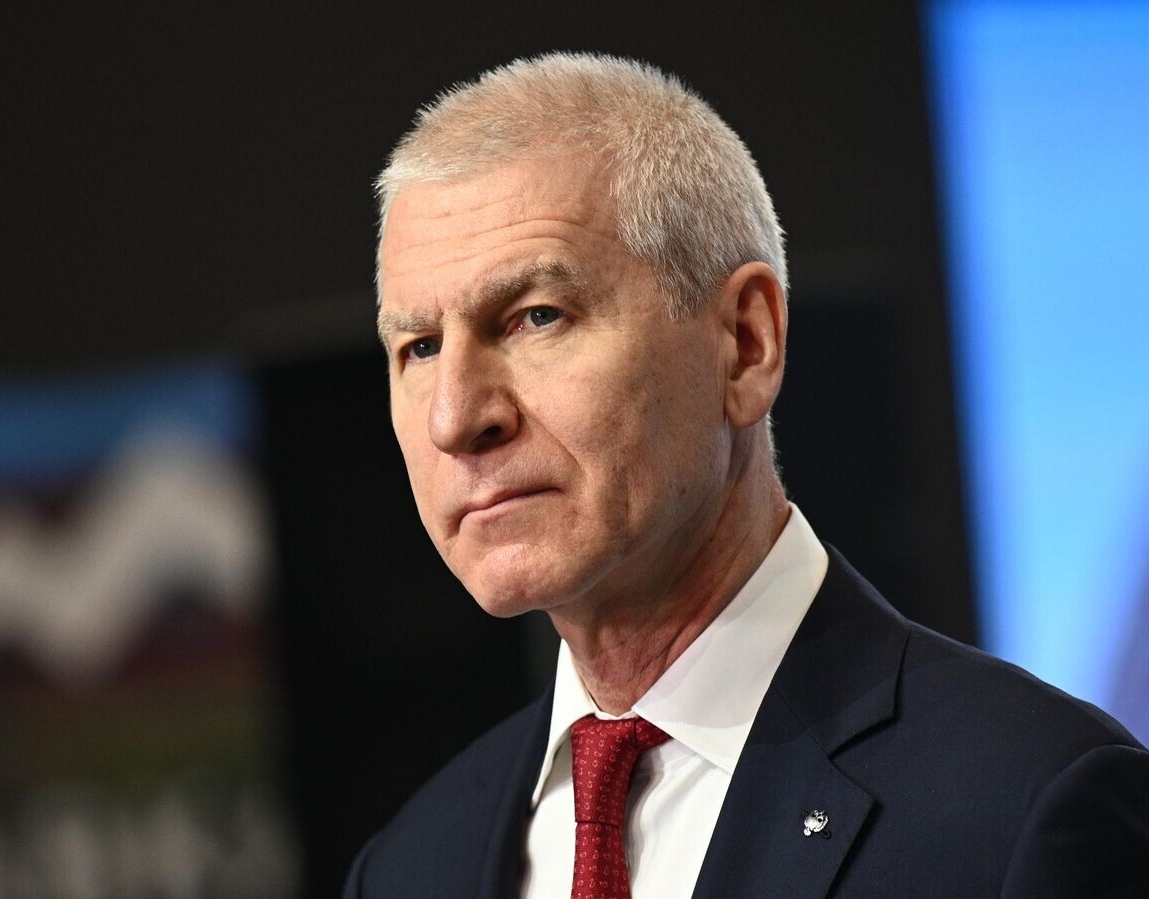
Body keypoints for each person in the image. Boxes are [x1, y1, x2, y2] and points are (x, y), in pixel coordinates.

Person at [345, 53, 1149, 898]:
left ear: (745, 343)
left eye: (537, 316)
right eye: (419, 347)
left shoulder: (1026, 810)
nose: (456, 418)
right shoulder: (406, 869)